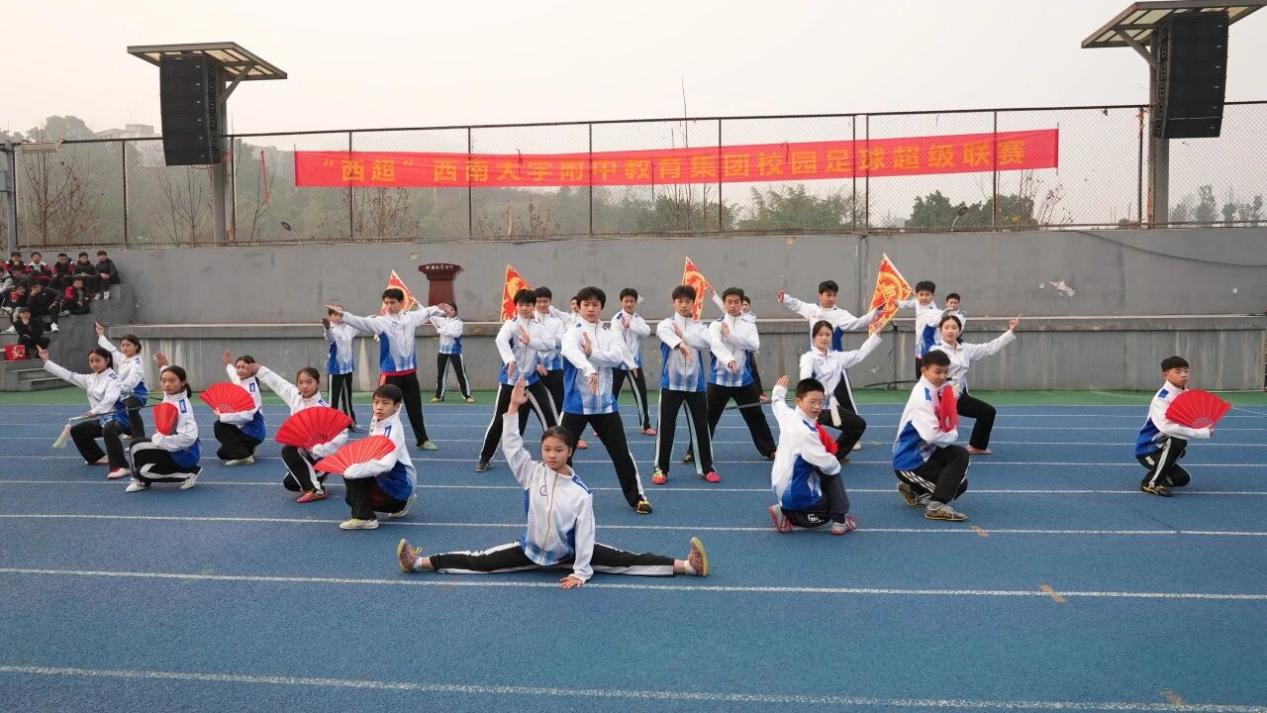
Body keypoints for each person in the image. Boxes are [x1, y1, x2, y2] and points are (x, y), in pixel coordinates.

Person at [396, 377, 709, 585]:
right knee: (481, 560)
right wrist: (513, 408)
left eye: (559, 450)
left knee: (626, 560)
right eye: (546, 449)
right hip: (531, 550)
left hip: (569, 555)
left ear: (569, 451)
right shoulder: (532, 473)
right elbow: (512, 446)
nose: (551, 455)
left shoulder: (581, 493)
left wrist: (581, 572)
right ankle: (419, 562)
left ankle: (686, 566)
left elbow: (585, 535)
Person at [561, 286, 651, 514]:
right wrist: (589, 368)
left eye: (595, 305)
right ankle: (560, 498)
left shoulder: (609, 333)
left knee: (621, 452)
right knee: (562, 452)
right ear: (579, 307)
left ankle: (637, 497)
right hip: (576, 405)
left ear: (601, 307)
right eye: (586, 305)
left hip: (605, 405)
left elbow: (617, 357)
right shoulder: (572, 332)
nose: (590, 309)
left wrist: (593, 354)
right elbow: (572, 353)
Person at [325, 290, 451, 451]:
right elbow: (361, 322)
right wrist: (344, 315)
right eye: (387, 303)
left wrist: (443, 309)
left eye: (392, 302)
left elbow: (428, 311)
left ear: (401, 303)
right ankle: (374, 441)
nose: (389, 306)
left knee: (415, 408)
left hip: (410, 373)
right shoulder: (381, 322)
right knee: (382, 409)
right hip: (390, 374)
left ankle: (422, 440)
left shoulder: (411, 318)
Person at [476, 289, 559, 471]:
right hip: (511, 381)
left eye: (528, 305)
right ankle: (485, 458)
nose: (524, 308)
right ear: (516, 306)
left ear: (533, 306)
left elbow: (549, 345)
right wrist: (510, 360)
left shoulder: (539, 326)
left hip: (532, 381)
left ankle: (557, 459)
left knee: (550, 417)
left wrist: (537, 357)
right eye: (521, 304)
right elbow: (500, 340)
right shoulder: (511, 325)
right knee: (499, 420)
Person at [767, 375, 857, 535]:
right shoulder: (807, 433)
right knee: (832, 474)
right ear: (798, 401)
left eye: (820, 402)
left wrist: (778, 391)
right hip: (795, 494)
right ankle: (839, 520)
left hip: (779, 488)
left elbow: (777, 403)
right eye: (812, 402)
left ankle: (787, 509)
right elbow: (830, 466)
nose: (817, 407)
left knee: (815, 468)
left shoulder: (788, 416)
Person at [246, 361, 348, 503]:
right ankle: (316, 479)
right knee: (290, 483)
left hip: (320, 456)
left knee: (288, 450)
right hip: (304, 453)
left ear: (318, 384)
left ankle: (316, 490)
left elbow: (342, 433)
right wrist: (260, 370)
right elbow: (278, 383)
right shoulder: (295, 396)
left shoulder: (323, 408)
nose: (304, 386)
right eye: (300, 382)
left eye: (309, 382)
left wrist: (321, 449)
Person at [653, 285, 723, 485]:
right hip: (671, 385)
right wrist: (680, 343)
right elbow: (663, 333)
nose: (684, 305)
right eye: (680, 301)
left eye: (688, 301)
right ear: (674, 303)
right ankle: (661, 468)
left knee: (701, 428)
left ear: (694, 304)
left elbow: (708, 343)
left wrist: (686, 338)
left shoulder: (701, 327)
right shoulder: (666, 324)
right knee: (666, 428)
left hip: (696, 386)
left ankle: (707, 468)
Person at [892, 349, 970, 521]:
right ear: (924, 370)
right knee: (957, 487)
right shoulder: (923, 398)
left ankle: (914, 489)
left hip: (925, 453)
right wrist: (953, 432)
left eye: (945, 372)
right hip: (910, 461)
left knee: (959, 454)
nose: (942, 376)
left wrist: (951, 396)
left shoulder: (932, 388)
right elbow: (932, 436)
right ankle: (935, 506)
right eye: (937, 372)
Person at [701, 287, 777, 460]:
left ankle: (770, 450)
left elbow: (754, 345)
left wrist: (731, 336)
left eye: (736, 302)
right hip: (718, 381)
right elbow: (715, 345)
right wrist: (728, 359)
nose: (733, 305)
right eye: (729, 302)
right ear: (724, 303)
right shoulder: (716, 324)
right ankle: (695, 451)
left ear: (742, 303)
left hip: (744, 381)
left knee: (756, 416)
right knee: (707, 417)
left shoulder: (749, 325)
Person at [933, 313, 1020, 455]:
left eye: (954, 327)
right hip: (940, 397)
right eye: (946, 327)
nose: (950, 330)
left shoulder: (965, 348)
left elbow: (989, 348)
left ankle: (977, 446)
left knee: (987, 412)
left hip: (958, 395)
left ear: (959, 330)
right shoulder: (935, 350)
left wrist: (1010, 331)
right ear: (940, 330)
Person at [39, 345, 131, 479]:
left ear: (107, 360)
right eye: (91, 361)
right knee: (77, 431)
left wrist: (94, 411)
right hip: (102, 420)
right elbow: (69, 376)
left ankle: (121, 467)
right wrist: (47, 361)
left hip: (119, 420)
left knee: (109, 429)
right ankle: (97, 457)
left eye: (97, 360)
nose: (94, 364)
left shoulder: (113, 379)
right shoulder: (91, 378)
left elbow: (110, 399)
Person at [337, 383, 417, 530]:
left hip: (398, 483)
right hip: (392, 483)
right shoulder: (378, 419)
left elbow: (386, 464)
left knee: (353, 474)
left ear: (397, 406)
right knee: (352, 495)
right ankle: (401, 504)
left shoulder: (392, 431)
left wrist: (356, 470)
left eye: (385, 403)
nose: (379, 407)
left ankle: (365, 518)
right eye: (376, 402)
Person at [799, 320, 883, 457]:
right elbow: (805, 378)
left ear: (832, 337)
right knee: (803, 441)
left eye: (828, 335)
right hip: (812, 407)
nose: (824, 338)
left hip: (829, 408)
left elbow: (860, 354)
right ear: (814, 337)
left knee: (858, 425)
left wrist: (875, 336)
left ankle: (835, 455)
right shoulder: (809, 358)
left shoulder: (837, 357)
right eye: (820, 335)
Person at [1135, 356, 1213, 497]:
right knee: (1178, 440)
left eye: (1186, 371)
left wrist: (1202, 425)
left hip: (1166, 446)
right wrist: (1201, 433)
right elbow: (1167, 428)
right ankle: (1150, 483)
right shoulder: (1162, 398)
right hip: (1149, 449)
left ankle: (1159, 474)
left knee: (1182, 479)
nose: (1183, 375)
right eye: (1178, 371)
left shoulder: (1186, 393)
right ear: (1165, 375)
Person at [127, 354, 202, 492]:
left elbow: (188, 438)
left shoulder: (182, 408)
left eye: (172, 381)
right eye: (163, 381)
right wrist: (163, 366)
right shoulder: (171, 395)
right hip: (174, 448)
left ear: (183, 382)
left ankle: (189, 474)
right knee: (143, 468)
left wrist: (159, 439)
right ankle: (142, 478)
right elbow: (169, 378)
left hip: (184, 454)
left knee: (136, 447)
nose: (167, 384)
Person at [777, 279, 878, 349]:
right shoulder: (812, 309)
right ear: (820, 296)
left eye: (834, 295)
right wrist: (784, 298)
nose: (832, 298)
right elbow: (798, 305)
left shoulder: (841, 314)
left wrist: (877, 311)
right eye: (828, 295)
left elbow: (859, 322)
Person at [611, 288, 654, 436]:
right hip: (619, 363)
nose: (628, 304)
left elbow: (646, 332)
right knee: (612, 395)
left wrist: (631, 326)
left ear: (635, 302)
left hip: (635, 364)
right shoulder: (616, 319)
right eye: (626, 301)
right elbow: (619, 344)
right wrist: (630, 364)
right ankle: (603, 425)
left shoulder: (637, 318)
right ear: (621, 302)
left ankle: (645, 425)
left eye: (631, 301)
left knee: (641, 394)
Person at [96, 322, 148, 440]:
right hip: (124, 393)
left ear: (136, 346)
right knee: (116, 407)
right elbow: (112, 350)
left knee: (132, 409)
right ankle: (128, 430)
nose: (124, 348)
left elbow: (132, 380)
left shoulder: (136, 363)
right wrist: (101, 335)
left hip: (138, 394)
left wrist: (118, 388)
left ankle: (139, 439)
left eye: (128, 345)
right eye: (123, 345)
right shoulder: (123, 358)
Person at [533, 286, 572, 442]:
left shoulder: (557, 321)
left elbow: (561, 339)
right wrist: (549, 342)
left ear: (550, 302)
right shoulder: (529, 319)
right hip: (533, 369)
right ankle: (514, 438)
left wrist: (541, 342)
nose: (542, 304)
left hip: (555, 368)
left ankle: (561, 437)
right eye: (539, 301)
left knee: (559, 405)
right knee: (523, 407)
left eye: (545, 301)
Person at [215, 352, 266, 465]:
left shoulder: (252, 390)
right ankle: (248, 449)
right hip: (245, 430)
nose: (240, 370)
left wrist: (223, 416)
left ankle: (244, 456)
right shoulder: (241, 380)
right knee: (222, 454)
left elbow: (247, 417)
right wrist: (228, 364)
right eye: (238, 367)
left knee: (220, 425)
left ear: (251, 369)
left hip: (254, 432)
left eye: (244, 367)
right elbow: (234, 375)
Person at [322, 306, 360, 430]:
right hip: (335, 370)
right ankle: (330, 426)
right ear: (330, 317)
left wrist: (375, 318)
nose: (339, 317)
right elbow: (329, 338)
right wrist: (327, 328)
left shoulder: (349, 328)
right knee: (333, 400)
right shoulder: (331, 330)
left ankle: (351, 423)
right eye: (335, 314)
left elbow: (362, 324)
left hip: (348, 369)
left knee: (347, 398)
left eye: (340, 314)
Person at [895, 280, 941, 379]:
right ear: (917, 295)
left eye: (927, 294)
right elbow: (908, 304)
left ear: (932, 296)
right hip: (919, 347)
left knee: (930, 375)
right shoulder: (917, 302)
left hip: (930, 347)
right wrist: (896, 303)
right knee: (919, 375)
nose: (924, 297)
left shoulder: (935, 311)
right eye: (921, 294)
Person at [430, 303, 474, 403]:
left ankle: (467, 395)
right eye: (448, 309)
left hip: (455, 352)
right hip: (442, 352)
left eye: (452, 309)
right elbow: (430, 315)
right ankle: (439, 395)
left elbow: (455, 333)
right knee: (441, 374)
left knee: (460, 374)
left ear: (455, 311)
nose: (449, 311)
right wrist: (418, 306)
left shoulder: (459, 323)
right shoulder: (442, 320)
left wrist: (441, 330)